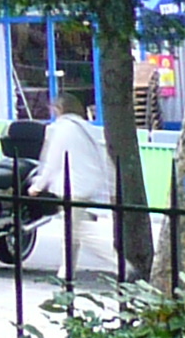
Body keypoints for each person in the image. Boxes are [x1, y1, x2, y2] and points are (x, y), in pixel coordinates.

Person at [32, 83, 121, 275]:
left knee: (79, 231)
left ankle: (120, 266)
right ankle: (66, 272)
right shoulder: (86, 127)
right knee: (72, 233)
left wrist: (38, 185)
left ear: (59, 109)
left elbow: (52, 161)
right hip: (88, 186)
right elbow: (103, 157)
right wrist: (112, 189)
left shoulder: (60, 129)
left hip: (73, 188)